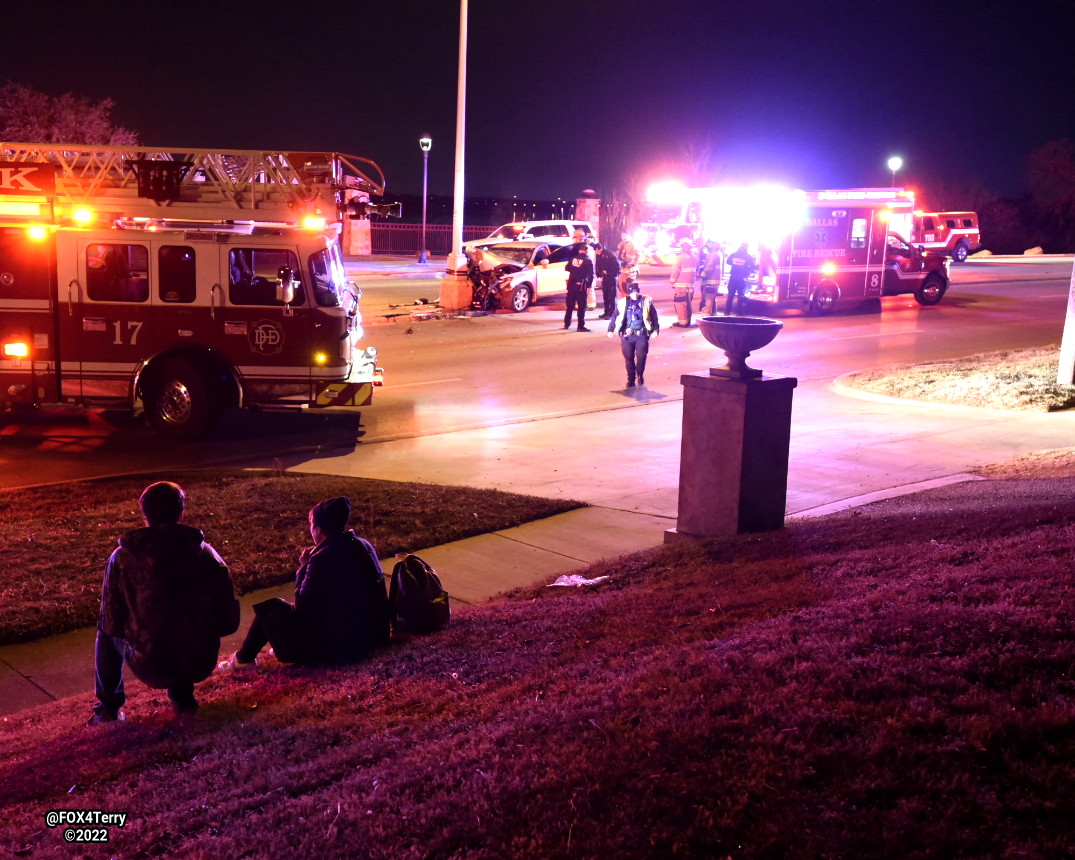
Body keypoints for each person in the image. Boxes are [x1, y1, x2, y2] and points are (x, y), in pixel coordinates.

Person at [89, 481, 239, 724]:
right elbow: (229, 621)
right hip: (199, 659)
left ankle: (108, 708)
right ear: (181, 513)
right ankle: (183, 698)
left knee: (105, 633)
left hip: (151, 662)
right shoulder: (207, 554)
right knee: (182, 625)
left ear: (145, 515)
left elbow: (111, 622)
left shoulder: (123, 559)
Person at [218, 496, 390, 671]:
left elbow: (303, 608)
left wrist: (304, 567)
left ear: (319, 528)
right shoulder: (363, 545)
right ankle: (268, 646)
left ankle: (243, 660)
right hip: (373, 635)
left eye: (311, 524)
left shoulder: (323, 557)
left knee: (272, 608)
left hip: (340, 646)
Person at [608, 280, 660, 387]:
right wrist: (610, 329)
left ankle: (639, 374)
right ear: (629, 293)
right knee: (629, 358)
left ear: (639, 291)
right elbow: (614, 316)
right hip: (628, 336)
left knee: (641, 357)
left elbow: (654, 317)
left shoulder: (646, 301)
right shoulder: (623, 303)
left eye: (636, 292)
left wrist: (655, 330)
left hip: (641, 335)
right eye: (632, 293)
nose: (634, 295)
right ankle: (630, 379)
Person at [564, 242, 595, 332]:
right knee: (581, 307)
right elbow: (591, 275)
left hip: (571, 285)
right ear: (586, 251)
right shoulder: (588, 260)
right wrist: (588, 286)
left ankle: (567, 323)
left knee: (570, 305)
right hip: (581, 285)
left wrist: (575, 270)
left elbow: (567, 268)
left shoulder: (573, 259)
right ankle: (580, 326)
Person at [670, 239, 698, 327]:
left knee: (681, 304)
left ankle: (682, 322)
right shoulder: (695, 257)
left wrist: (672, 280)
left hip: (681, 285)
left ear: (682, 246)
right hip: (691, 285)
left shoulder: (680, 257)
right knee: (688, 303)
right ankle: (688, 320)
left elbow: (676, 270)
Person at [725, 242, 757, 316]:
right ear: (746, 248)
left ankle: (727, 311)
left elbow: (728, 262)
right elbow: (753, 266)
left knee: (730, 295)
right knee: (741, 295)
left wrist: (735, 264)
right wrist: (747, 273)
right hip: (742, 278)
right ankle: (739, 312)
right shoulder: (748, 257)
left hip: (733, 277)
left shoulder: (733, 254)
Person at [593, 242, 621, 320]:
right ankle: (606, 311)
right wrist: (600, 274)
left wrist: (609, 273)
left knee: (612, 296)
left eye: (598, 250)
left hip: (612, 277)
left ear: (601, 248)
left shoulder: (610, 254)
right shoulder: (598, 255)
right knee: (606, 296)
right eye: (595, 250)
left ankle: (612, 313)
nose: (597, 251)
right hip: (605, 277)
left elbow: (617, 266)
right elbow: (598, 265)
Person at [698, 241, 724, 315]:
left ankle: (707, 313)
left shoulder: (712, 255)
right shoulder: (719, 254)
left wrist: (703, 274)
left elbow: (709, 267)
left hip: (710, 280)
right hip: (716, 280)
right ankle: (713, 312)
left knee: (708, 297)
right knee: (713, 297)